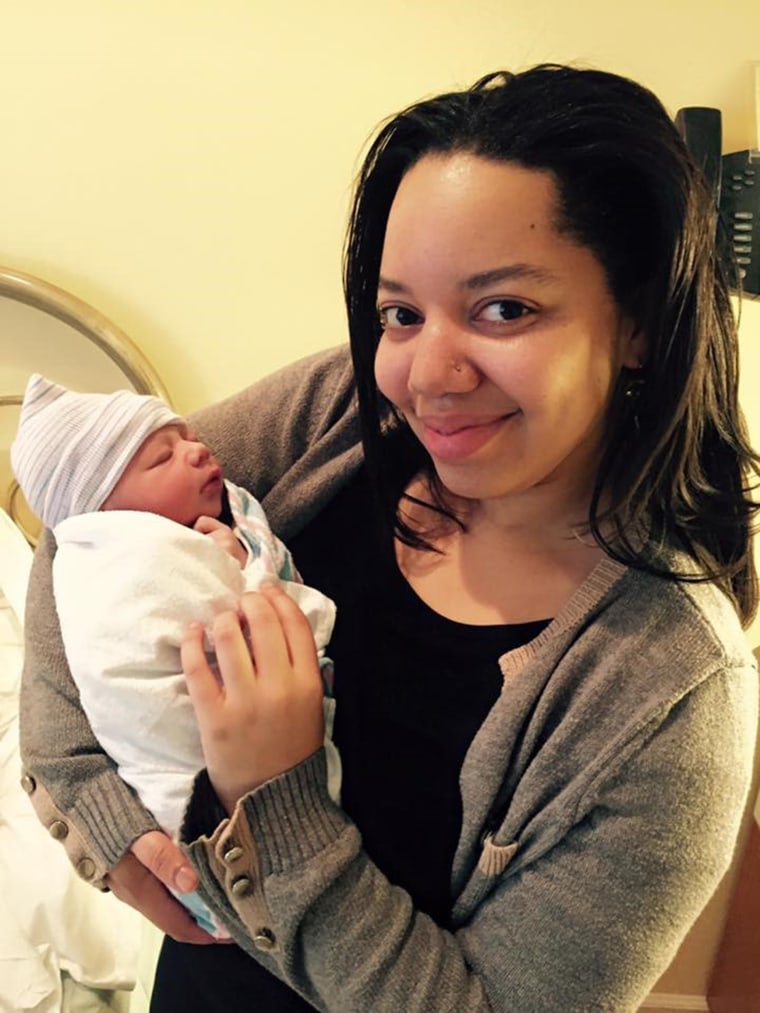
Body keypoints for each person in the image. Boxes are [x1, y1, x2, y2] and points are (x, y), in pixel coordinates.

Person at [19, 62, 760, 1011]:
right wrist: (99, 805)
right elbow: (86, 526)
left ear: (640, 323)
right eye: (400, 312)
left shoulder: (668, 689)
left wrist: (278, 797)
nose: (428, 374)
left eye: (505, 308)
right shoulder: (347, 408)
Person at [10, 374, 337, 939]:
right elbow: (287, 625)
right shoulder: (124, 558)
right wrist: (249, 569)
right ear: (105, 512)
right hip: (210, 840)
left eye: (185, 439)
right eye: (165, 456)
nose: (202, 448)